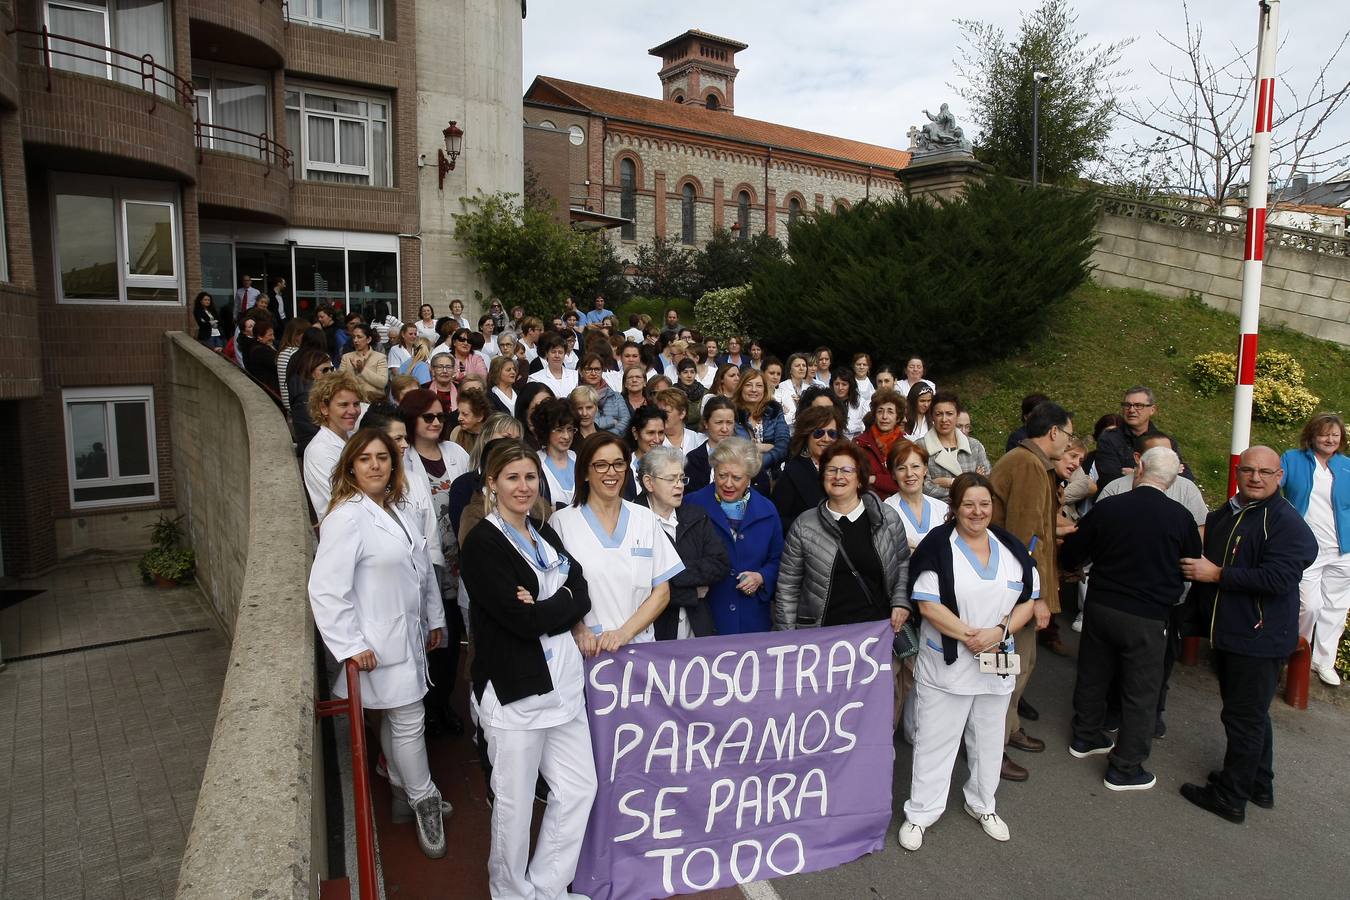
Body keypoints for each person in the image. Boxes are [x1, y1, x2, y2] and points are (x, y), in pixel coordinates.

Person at [459, 441, 597, 898]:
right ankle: (512, 893)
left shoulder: (543, 533)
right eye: (512, 477)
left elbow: (583, 590)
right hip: (516, 692)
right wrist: (558, 604)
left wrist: (546, 603)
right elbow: (522, 622)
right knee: (514, 808)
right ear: (492, 484)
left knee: (578, 789)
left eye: (530, 477)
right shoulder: (483, 543)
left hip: (563, 689)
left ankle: (548, 887)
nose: (523, 486)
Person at [308, 428, 448, 858]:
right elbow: (326, 589)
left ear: (393, 465)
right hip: (375, 644)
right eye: (365, 458)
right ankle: (424, 801)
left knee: (395, 720)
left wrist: (434, 619)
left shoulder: (395, 511)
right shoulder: (346, 516)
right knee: (409, 721)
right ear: (351, 465)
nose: (375, 465)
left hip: (406, 636)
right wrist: (349, 645)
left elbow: (420, 569)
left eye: (383, 458)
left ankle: (403, 790)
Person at [898, 472, 1039, 852]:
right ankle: (921, 813)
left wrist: (999, 631)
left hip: (995, 661)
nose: (977, 512)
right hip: (948, 665)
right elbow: (928, 604)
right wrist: (970, 636)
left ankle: (983, 804)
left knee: (990, 740)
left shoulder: (1010, 548)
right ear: (955, 508)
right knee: (935, 741)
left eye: (984, 504)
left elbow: (1029, 601)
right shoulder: (937, 547)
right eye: (968, 504)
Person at [1179, 446, 1317, 823]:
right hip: (1234, 633)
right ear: (1238, 472)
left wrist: (1218, 574)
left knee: (1243, 719)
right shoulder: (1230, 511)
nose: (1256, 477)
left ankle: (1231, 797)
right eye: (1249, 470)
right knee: (1251, 714)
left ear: (1280, 476)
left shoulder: (1286, 523)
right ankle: (1258, 783)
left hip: (1258, 638)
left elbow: (1279, 578)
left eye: (1266, 472)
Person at [1059, 447, 1202, 792]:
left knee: (1094, 671)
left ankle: (1086, 735)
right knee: (1141, 690)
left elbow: (1074, 552)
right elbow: (1192, 562)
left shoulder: (1109, 507)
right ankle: (1125, 767)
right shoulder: (1180, 517)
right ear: (1174, 478)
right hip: (1149, 615)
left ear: (1139, 468)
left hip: (1102, 604)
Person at [774, 440, 912, 724]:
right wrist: (788, 639)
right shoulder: (805, 524)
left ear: (860, 477)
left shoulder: (887, 519)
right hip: (824, 640)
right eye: (831, 470)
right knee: (827, 713)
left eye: (847, 470)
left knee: (874, 712)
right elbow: (788, 585)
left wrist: (900, 601)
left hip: (875, 636)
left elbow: (902, 563)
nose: (839, 477)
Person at [1094, 430, 1209, 725]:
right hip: (1118, 595)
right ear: (1139, 460)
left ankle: (1154, 711)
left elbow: (1198, 537)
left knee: (1161, 660)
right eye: (1158, 456)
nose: (1166, 463)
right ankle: (1113, 711)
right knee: (1111, 661)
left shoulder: (1187, 491)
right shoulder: (1116, 490)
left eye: (1171, 457)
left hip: (1167, 597)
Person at [987, 401, 1074, 782]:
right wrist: (1034, 597)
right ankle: (992, 746)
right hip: (1014, 593)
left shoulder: (1031, 463)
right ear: (1053, 432)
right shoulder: (1026, 465)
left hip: (1018, 589)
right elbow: (1024, 540)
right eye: (1069, 434)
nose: (1069, 443)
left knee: (1022, 665)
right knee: (1008, 670)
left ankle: (1009, 727)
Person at [552, 433, 683, 647]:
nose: (611, 472)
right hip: (588, 650)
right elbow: (557, 591)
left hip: (640, 648)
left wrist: (624, 634)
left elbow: (661, 592)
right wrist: (578, 628)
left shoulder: (645, 518)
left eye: (618, 464)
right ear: (585, 472)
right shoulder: (562, 522)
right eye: (601, 465)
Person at [686, 438, 783, 634]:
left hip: (752, 619)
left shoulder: (767, 509)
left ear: (749, 477)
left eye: (736, 478)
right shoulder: (691, 505)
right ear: (713, 472)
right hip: (706, 616)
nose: (728, 484)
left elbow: (778, 560)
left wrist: (761, 577)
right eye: (722, 475)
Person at [1280, 413, 1350, 686]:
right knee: (1308, 605)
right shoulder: (1292, 459)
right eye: (1324, 433)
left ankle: (1324, 661)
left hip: (1343, 550)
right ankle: (1296, 653)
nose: (1330, 439)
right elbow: (1274, 485)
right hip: (1306, 549)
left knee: (1336, 607)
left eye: (1335, 435)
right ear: (1311, 435)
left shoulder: (1346, 466)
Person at [637, 446, 730, 640]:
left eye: (681, 478)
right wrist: (692, 593)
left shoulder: (696, 515)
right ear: (649, 482)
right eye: (671, 479)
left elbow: (720, 564)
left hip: (696, 630)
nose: (679, 485)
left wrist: (669, 576)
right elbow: (639, 587)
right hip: (653, 634)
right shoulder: (632, 520)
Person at [1094, 385, 1188, 485]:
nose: (1131, 410)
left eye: (1138, 405)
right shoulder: (1109, 439)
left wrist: (1135, 474)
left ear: (1152, 409)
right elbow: (1110, 478)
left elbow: (1185, 476)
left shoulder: (1165, 441)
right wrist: (1165, 473)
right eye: (1127, 405)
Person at [773, 404, 845, 531]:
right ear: (807, 435)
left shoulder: (846, 468)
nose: (826, 439)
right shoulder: (793, 471)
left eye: (832, 433)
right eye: (819, 433)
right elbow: (777, 519)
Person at [303, 372, 363, 520]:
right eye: (344, 405)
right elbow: (342, 499)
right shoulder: (319, 450)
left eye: (356, 404)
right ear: (324, 408)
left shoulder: (353, 439)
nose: (353, 411)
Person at [922, 393, 991, 500]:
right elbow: (924, 486)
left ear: (957, 415)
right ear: (932, 416)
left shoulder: (974, 446)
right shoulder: (921, 446)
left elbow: (986, 480)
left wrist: (949, 483)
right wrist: (970, 483)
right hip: (937, 509)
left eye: (949, 413)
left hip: (971, 508)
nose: (944, 419)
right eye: (939, 414)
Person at [731, 368, 789, 473]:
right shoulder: (732, 413)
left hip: (772, 476)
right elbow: (734, 449)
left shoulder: (775, 410)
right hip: (739, 472)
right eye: (748, 385)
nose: (754, 390)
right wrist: (766, 447)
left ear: (764, 390)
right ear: (741, 388)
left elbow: (783, 446)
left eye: (759, 386)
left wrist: (759, 462)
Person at [855, 389, 905, 500]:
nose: (884, 417)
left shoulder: (906, 446)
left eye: (890, 412)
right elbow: (859, 480)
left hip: (901, 503)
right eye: (880, 411)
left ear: (897, 417)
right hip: (870, 503)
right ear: (874, 415)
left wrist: (874, 479)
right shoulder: (859, 444)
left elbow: (906, 482)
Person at [532, 399, 578, 508]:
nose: (566, 436)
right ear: (546, 430)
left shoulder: (578, 458)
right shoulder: (535, 463)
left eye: (570, 429)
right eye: (559, 430)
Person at [685, 397, 736, 492]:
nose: (724, 429)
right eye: (719, 422)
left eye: (729, 423)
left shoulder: (745, 456)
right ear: (706, 423)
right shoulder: (693, 459)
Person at [578, 352, 629, 435]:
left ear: (602, 371)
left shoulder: (615, 396)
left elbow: (626, 419)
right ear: (581, 371)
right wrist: (611, 421)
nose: (593, 373)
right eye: (588, 369)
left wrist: (610, 435)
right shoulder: (574, 397)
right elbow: (579, 422)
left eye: (597, 369)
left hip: (614, 440)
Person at [339, 323, 389, 403]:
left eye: (359, 337)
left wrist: (362, 370)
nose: (355, 340)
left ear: (368, 339)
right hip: (351, 401)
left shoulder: (380, 357)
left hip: (374, 402)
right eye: (353, 337)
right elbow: (339, 381)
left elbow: (382, 383)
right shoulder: (346, 357)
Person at [654, 388, 705, 459]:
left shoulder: (699, 440)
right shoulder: (652, 441)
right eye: (658, 412)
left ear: (682, 413)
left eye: (665, 412)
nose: (660, 416)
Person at [275, 319, 311, 411]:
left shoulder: (283, 352)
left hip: (290, 404)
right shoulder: (295, 353)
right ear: (296, 335)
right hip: (298, 405)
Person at [528, 333, 579, 398]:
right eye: (553, 352)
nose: (557, 356)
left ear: (564, 354)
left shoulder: (575, 376)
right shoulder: (535, 379)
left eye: (560, 352)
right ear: (546, 354)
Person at [245, 319, 281, 397]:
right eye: (270, 335)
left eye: (273, 334)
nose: (273, 338)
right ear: (260, 337)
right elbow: (278, 365)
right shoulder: (260, 351)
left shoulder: (265, 347)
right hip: (271, 390)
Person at [775, 353, 812, 427]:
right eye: (797, 366)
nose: (801, 368)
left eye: (804, 365)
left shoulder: (810, 389)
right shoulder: (781, 386)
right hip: (785, 427)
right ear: (790, 370)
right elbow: (775, 408)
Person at [449, 389, 489, 455]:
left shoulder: (493, 435)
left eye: (465, 414)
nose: (459, 418)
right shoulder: (456, 432)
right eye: (459, 413)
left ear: (480, 416)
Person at [831, 368, 866, 439]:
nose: (840, 388)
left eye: (844, 384)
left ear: (850, 386)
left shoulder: (861, 403)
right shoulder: (827, 401)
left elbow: (865, 427)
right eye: (837, 384)